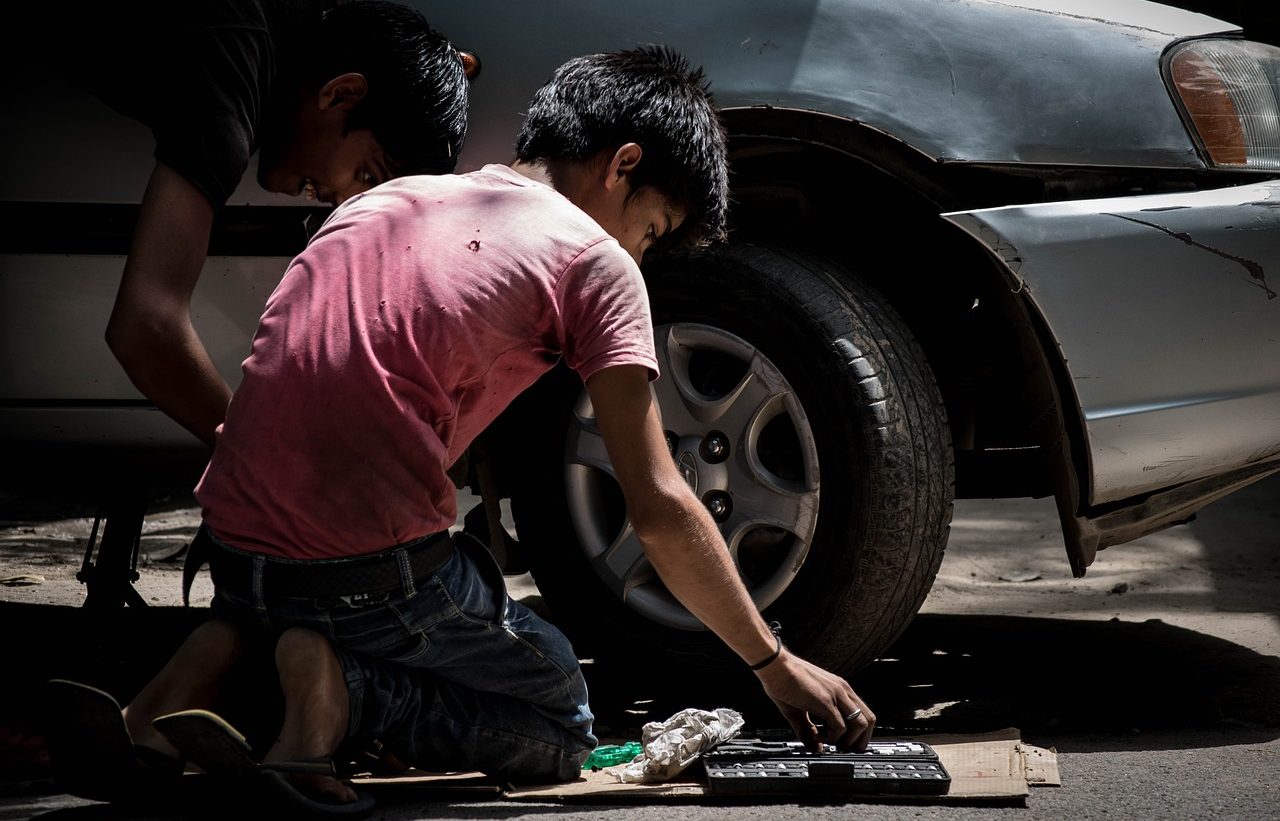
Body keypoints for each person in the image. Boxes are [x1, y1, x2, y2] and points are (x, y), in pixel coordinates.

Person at [59, 46, 875, 810]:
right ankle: (339, 691)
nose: (642, 250)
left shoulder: (385, 198)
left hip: (233, 547)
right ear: (623, 165)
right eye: (654, 228)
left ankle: (207, 663)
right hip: (359, 573)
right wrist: (774, 664)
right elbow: (658, 506)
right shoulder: (596, 261)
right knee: (556, 711)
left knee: (371, 578)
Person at [16, 0, 469, 447]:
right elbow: (148, 327)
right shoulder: (235, 64)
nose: (344, 204)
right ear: (340, 94)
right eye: (367, 175)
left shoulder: (278, 33)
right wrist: (271, 463)